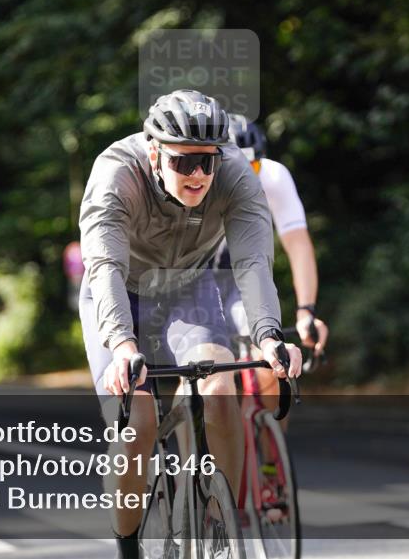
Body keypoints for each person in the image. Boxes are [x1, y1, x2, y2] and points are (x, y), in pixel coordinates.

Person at [78, 89, 302, 559]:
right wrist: (121, 345)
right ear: (155, 152)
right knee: (136, 423)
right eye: (184, 163)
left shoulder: (237, 174)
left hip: (188, 290)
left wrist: (268, 335)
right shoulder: (116, 173)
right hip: (119, 294)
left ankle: (223, 529)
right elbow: (105, 270)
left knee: (221, 393)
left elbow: (254, 264)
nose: (199, 174)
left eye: (208, 161)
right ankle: (128, 547)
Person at [220, 114, 329, 397]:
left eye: (253, 166)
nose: (247, 176)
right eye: (236, 167)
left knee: (270, 371)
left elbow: (298, 245)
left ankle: (263, 423)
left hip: (246, 279)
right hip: (203, 275)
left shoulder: (273, 176)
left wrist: (307, 311)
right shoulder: (200, 180)